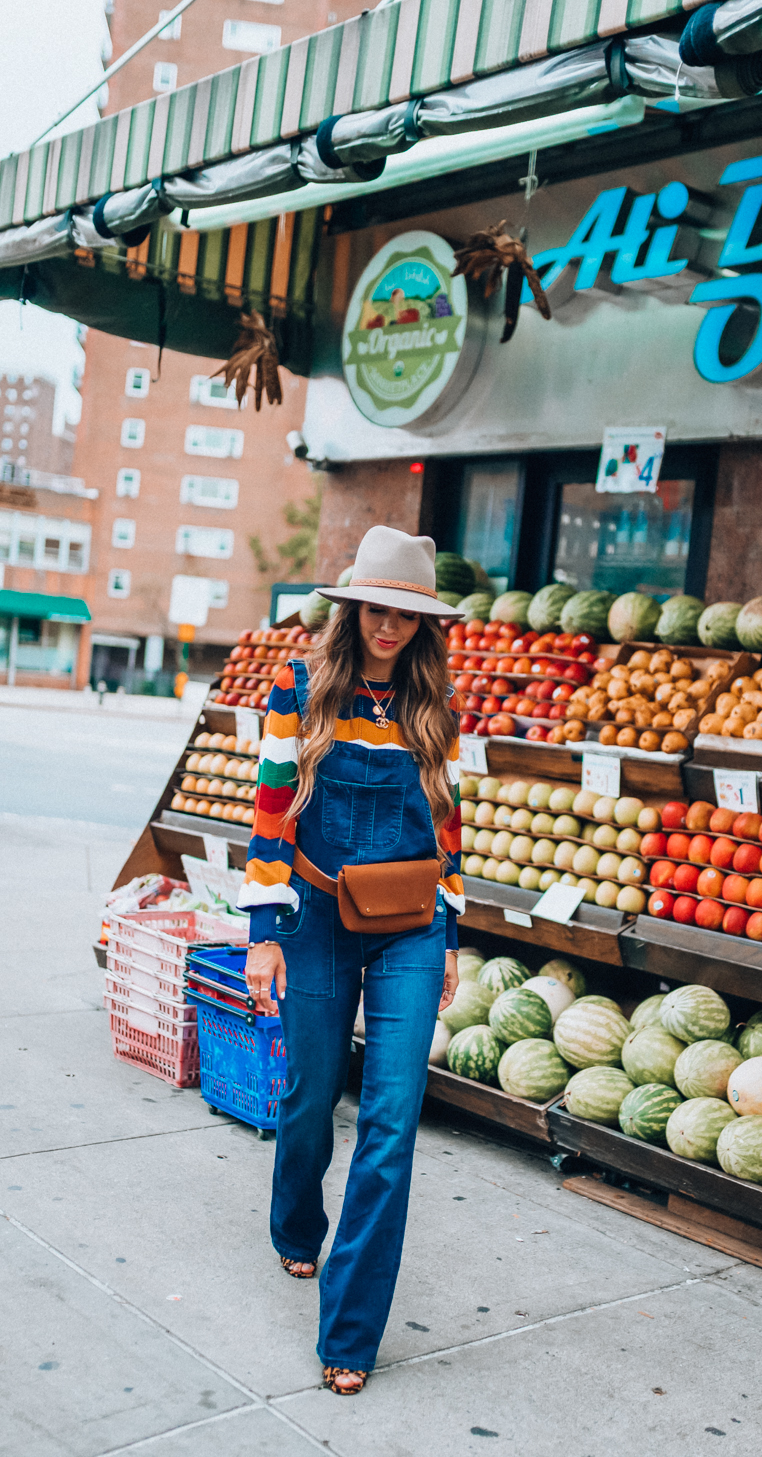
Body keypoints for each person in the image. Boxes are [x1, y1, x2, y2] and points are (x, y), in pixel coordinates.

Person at [238, 526, 466, 1395]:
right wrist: (263, 932)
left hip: (410, 924)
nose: (389, 626)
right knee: (309, 1096)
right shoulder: (300, 687)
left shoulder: (434, 704)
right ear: (352, 608)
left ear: (422, 624)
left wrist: (450, 931)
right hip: (318, 917)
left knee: (391, 1123)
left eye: (406, 615)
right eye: (377, 608)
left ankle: (351, 1332)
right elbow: (268, 809)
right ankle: (297, 1226)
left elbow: (448, 829)